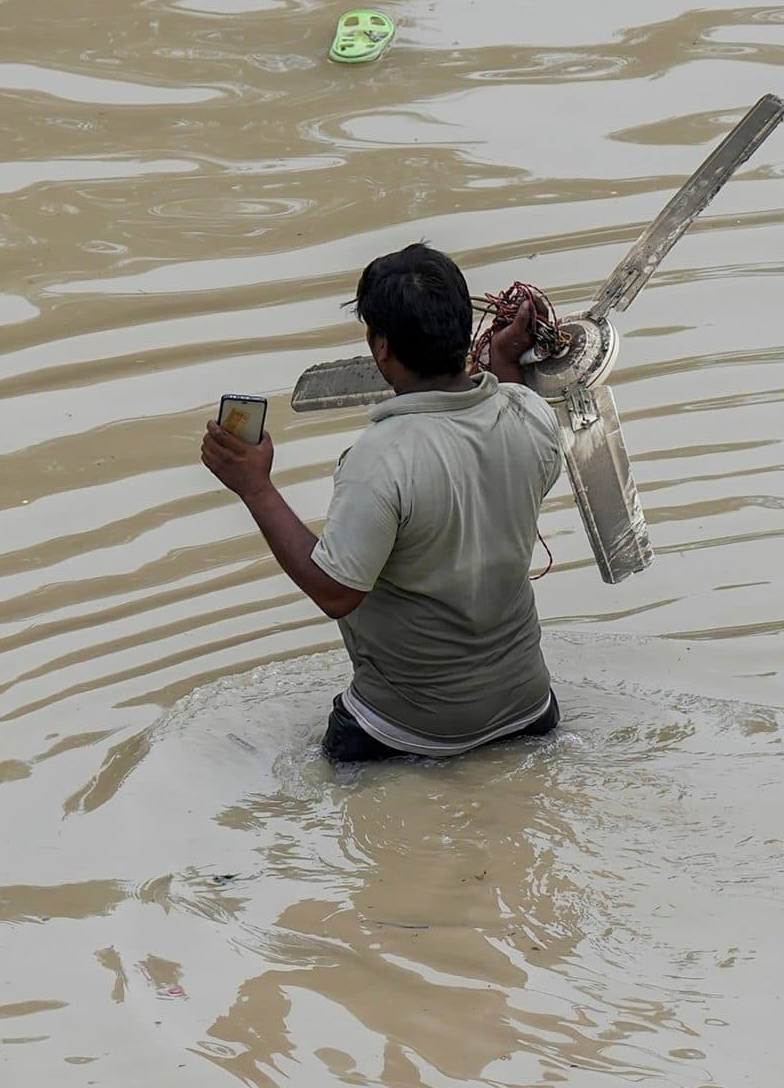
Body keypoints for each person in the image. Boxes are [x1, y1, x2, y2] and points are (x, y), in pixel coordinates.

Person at [201, 243, 566, 764]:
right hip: (529, 712)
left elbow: (335, 593)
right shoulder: (531, 416)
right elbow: (503, 427)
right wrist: (505, 364)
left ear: (382, 349)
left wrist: (254, 487)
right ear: (464, 329)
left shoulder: (380, 459)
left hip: (407, 732)